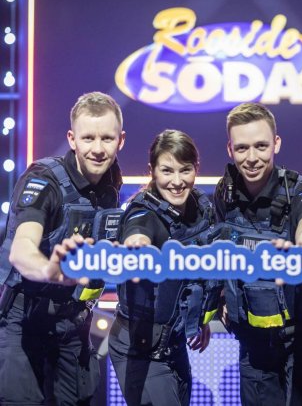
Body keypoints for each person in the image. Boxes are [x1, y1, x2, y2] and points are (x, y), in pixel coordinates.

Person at [0, 91, 125, 405]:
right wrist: (49, 270)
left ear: (121, 140)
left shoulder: (111, 185)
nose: (98, 149)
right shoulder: (44, 180)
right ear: (72, 139)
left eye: (107, 138)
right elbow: (22, 247)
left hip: (73, 323)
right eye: (88, 138)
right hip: (24, 320)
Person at [214, 102, 302, 406]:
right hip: (254, 343)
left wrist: (301, 254)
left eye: (261, 146)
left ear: (276, 144)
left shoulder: (301, 191)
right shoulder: (224, 192)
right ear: (230, 149)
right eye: (242, 148)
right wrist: (222, 299)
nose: (252, 157)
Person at [108, 129, 219, 406]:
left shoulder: (199, 209)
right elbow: (137, 236)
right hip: (139, 350)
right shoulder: (143, 213)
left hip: (174, 345)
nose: (177, 182)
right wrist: (136, 251)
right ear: (152, 171)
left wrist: (200, 318)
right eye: (167, 171)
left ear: (196, 169)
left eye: (185, 170)